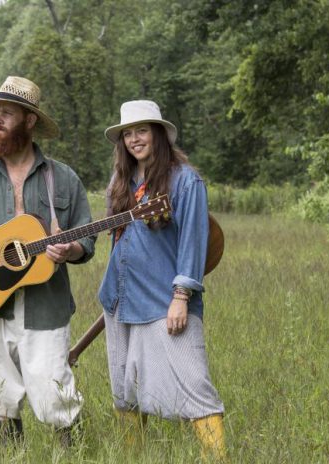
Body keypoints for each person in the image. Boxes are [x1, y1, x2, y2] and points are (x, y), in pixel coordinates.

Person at [0, 76, 96, 445]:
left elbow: (86, 236)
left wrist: (71, 250)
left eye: (7, 114)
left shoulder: (62, 179)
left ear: (29, 121)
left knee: (53, 396)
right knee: (0, 397)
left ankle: (74, 453)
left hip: (45, 304)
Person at [97, 100, 226, 459]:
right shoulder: (120, 184)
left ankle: (218, 459)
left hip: (165, 301)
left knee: (194, 384)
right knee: (125, 391)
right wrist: (115, 293)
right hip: (120, 301)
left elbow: (193, 243)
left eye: (141, 131)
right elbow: (118, 245)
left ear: (157, 133)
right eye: (127, 134)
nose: (135, 139)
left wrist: (181, 296)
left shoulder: (185, 180)